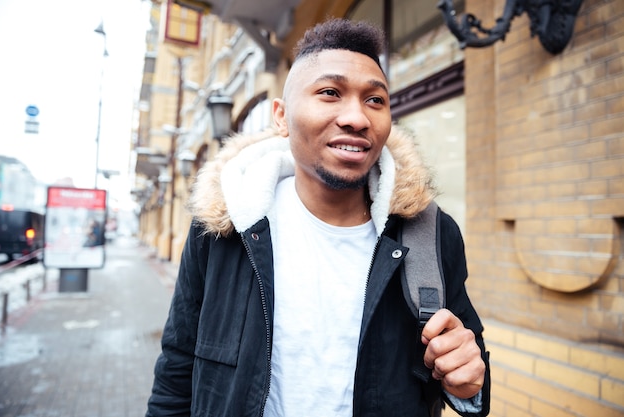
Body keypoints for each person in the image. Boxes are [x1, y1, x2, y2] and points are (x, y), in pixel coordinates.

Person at [146, 17, 490, 417]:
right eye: (330, 92)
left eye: (375, 100)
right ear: (281, 116)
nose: (357, 118)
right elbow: (177, 369)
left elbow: (468, 366)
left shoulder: (429, 233)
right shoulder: (225, 224)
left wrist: (469, 382)